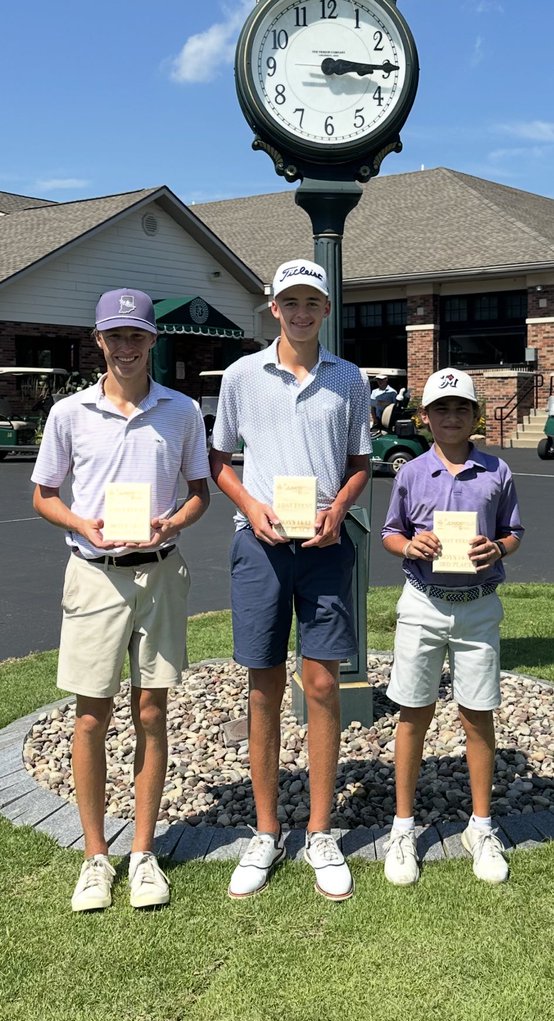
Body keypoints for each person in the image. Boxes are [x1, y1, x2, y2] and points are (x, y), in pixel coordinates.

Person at [32, 288, 210, 912]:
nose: (127, 347)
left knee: (152, 712)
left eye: (137, 335)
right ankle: (94, 858)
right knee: (90, 716)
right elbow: (44, 494)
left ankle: (141, 852)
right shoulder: (69, 413)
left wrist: (173, 523)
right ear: (99, 341)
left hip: (160, 572)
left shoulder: (182, 411)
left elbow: (200, 492)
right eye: (116, 336)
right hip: (94, 575)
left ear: (152, 341)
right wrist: (82, 524)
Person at [209, 258, 371, 902]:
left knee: (324, 683)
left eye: (312, 302)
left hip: (326, 546)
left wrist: (340, 508)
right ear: (273, 307)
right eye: (290, 302)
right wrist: (251, 506)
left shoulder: (349, 378)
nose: (301, 312)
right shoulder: (242, 376)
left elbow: (359, 464)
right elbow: (220, 459)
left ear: (326, 309)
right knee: (263, 687)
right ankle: (267, 831)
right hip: (261, 546)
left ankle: (321, 831)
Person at [381, 367, 524, 886]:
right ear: (425, 417)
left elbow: (513, 531)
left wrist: (499, 548)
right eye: (441, 408)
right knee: (412, 712)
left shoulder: (496, 471)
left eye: (461, 408)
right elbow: (391, 533)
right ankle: (403, 827)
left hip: (479, 605)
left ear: (475, 416)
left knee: (477, 712)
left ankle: (480, 827)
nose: (451, 416)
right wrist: (410, 545)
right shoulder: (411, 473)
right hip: (423, 603)